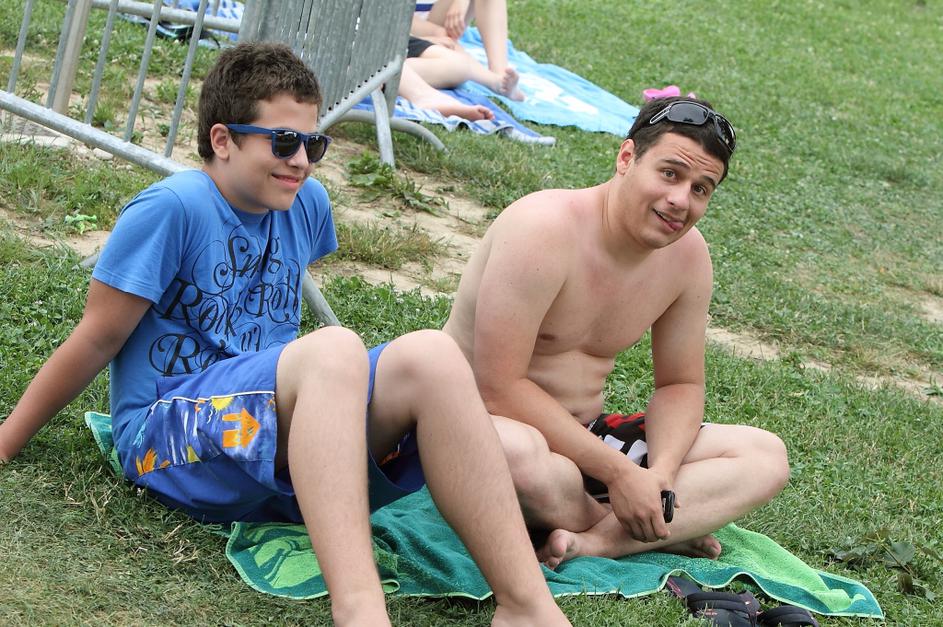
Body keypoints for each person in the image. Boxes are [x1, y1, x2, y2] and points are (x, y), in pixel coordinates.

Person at [0, 42, 569, 627]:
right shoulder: (172, 208)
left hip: (270, 448)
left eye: (312, 144)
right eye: (282, 142)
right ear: (223, 140)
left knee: (434, 354)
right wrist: (6, 441)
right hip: (164, 442)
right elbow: (97, 338)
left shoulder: (304, 203)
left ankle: (526, 607)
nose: (300, 161)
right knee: (335, 349)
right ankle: (361, 613)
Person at [443, 96, 791, 568]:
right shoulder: (542, 228)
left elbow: (680, 384)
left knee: (764, 456)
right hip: (483, 426)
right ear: (627, 158)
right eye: (670, 174)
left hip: (586, 438)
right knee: (515, 455)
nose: (681, 200)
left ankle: (600, 541)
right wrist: (621, 475)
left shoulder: (688, 258)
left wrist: (660, 476)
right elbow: (497, 388)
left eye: (701, 189)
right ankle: (652, 529)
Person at [412, 0, 521, 98]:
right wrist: (431, 36)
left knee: (446, 42)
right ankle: (495, 81)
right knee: (452, 56)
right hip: (408, 23)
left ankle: (501, 73)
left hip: (435, 13)